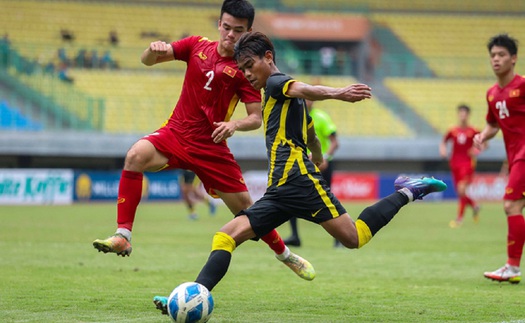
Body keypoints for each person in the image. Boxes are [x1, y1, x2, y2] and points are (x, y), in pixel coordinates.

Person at [152, 31, 447, 314]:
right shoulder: (277, 100)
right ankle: (190, 297)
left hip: (300, 182)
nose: (247, 74)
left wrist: (340, 93)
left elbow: (302, 88)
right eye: (242, 69)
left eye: (250, 66)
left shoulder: (277, 83)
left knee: (354, 237)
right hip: (279, 189)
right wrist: (318, 157)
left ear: (268, 57)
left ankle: (409, 190)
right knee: (225, 236)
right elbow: (312, 137)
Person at [92, 0, 314, 281]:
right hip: (176, 134)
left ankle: (285, 254)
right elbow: (146, 61)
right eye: (227, 27)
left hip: (212, 147)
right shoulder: (196, 45)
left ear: (248, 31)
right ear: (219, 24)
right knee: (135, 156)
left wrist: (234, 124)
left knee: (248, 211)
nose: (230, 35)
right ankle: (123, 234)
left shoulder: (245, 70)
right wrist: (152, 50)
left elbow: (255, 118)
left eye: (238, 30)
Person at [474, 34, 525, 284]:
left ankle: (512, 268)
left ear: (513, 58)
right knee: (514, 207)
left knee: (511, 205)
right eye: (493, 55)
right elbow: (493, 123)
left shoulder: (523, 85)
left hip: (523, 155)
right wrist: (483, 135)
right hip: (515, 155)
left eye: (501, 55)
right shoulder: (492, 93)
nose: (496, 59)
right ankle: (512, 267)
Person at [283, 99, 341, 247]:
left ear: (313, 100)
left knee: (327, 200)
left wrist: (325, 157)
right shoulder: (294, 116)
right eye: (302, 98)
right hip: (301, 164)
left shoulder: (321, 117)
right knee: (291, 197)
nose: (305, 101)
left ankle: (340, 237)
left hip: (322, 164)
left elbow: (335, 142)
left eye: (308, 98)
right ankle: (295, 236)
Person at [439, 104, 481, 228]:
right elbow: (443, 141)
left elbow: (484, 144)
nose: (463, 116)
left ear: (468, 115)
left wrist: (476, 150)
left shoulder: (474, 130)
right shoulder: (453, 130)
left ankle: (459, 219)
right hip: (454, 164)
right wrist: (442, 150)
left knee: (462, 189)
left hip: (467, 164)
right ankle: (474, 205)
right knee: (460, 191)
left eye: (465, 113)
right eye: (461, 113)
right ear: (458, 114)